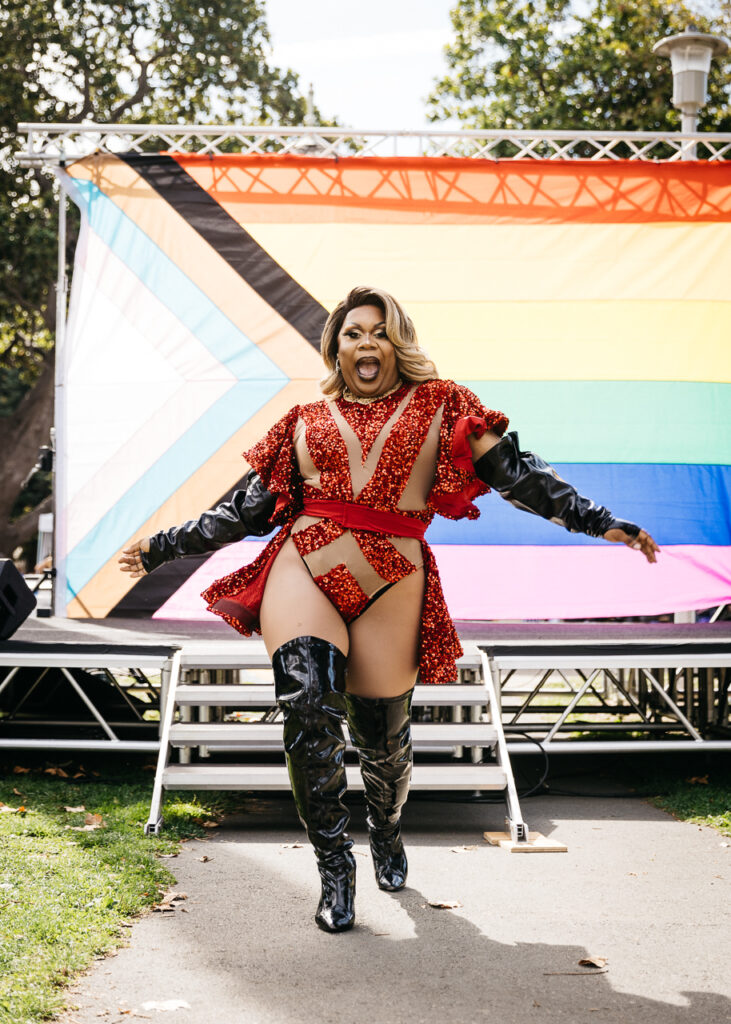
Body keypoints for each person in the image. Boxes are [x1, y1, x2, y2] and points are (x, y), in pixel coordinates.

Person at [120, 286, 659, 934]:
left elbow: (516, 475)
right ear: (336, 347)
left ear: (396, 341)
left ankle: (384, 825)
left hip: (392, 573)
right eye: (352, 333)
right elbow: (243, 512)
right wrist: (162, 547)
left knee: (381, 740)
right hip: (305, 562)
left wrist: (599, 521)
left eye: (377, 331)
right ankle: (334, 870)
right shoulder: (301, 423)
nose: (365, 342)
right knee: (306, 703)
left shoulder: (445, 404)